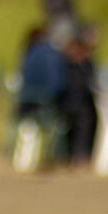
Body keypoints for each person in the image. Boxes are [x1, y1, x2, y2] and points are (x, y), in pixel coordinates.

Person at [12, 24, 67, 170]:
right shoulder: (50, 55)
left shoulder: (29, 53)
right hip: (41, 105)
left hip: (25, 103)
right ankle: (59, 157)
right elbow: (56, 85)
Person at [57, 23, 100, 171]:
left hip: (79, 102)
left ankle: (81, 155)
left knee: (88, 116)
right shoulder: (68, 63)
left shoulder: (86, 63)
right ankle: (79, 156)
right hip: (70, 103)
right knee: (83, 118)